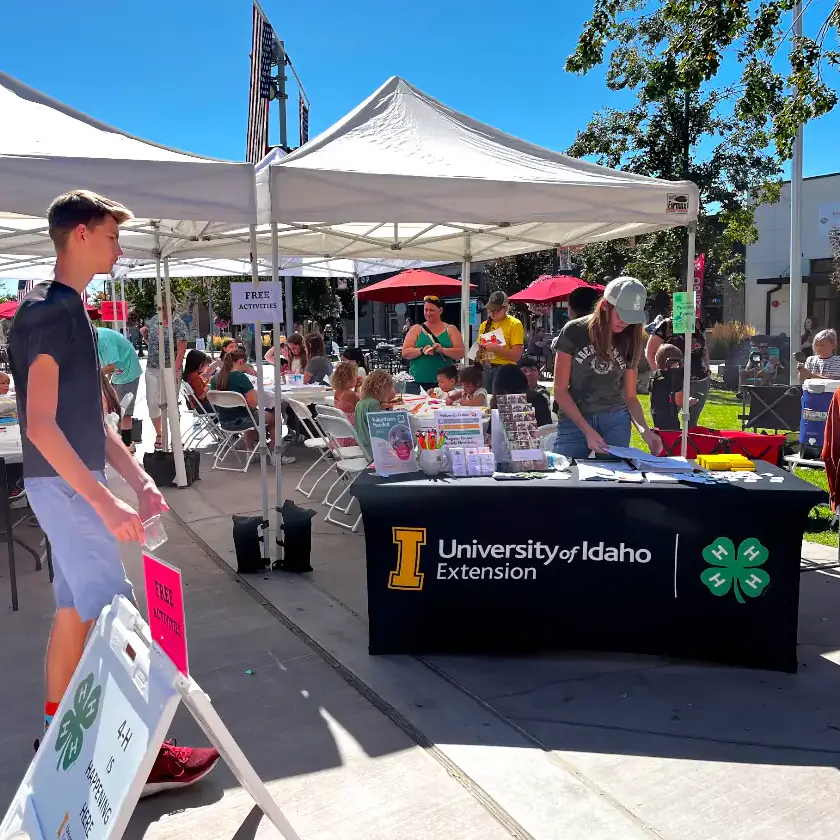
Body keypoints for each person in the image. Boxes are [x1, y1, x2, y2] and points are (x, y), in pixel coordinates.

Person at [9, 190, 218, 792]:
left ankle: (56, 735)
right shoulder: (49, 314)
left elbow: (88, 422)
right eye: (109, 236)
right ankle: (142, 757)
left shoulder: (66, 311)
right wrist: (102, 500)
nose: (118, 248)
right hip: (67, 488)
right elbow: (42, 425)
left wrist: (140, 478)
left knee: (76, 610)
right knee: (116, 615)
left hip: (68, 484)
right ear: (78, 235)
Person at [553, 276, 662, 458]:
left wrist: (645, 432)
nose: (625, 322)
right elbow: (560, 390)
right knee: (565, 475)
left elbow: (630, 396)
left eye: (631, 318)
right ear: (605, 305)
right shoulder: (574, 331)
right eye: (621, 315)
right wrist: (587, 430)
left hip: (615, 419)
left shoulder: (632, 337)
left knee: (616, 480)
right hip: (575, 417)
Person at [646, 315, 711, 427]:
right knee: (669, 421)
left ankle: (690, 443)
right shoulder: (665, 326)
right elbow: (650, 352)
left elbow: (704, 350)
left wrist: (708, 369)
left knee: (692, 423)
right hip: (673, 381)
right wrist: (662, 374)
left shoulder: (697, 324)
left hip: (699, 380)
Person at [210, 348, 278, 448]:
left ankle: (250, 451)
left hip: (224, 421)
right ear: (241, 362)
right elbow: (253, 404)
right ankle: (276, 454)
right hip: (242, 421)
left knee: (250, 415)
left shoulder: (215, 378)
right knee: (274, 417)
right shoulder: (240, 377)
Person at [145, 307, 188, 452]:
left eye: (162, 307)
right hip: (152, 366)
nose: (159, 309)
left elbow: (181, 350)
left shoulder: (178, 324)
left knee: (171, 403)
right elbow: (150, 342)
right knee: (152, 403)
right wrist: (145, 336)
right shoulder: (153, 320)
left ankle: (175, 437)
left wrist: (175, 370)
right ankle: (159, 434)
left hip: (170, 368)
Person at [401, 295, 465, 391]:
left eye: (431, 310)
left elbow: (460, 354)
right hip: (418, 381)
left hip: (445, 384)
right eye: (425, 310)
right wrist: (422, 350)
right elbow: (405, 353)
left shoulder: (451, 329)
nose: (427, 313)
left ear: (440, 310)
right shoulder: (416, 329)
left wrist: (442, 350)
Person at [97, 326, 142, 450]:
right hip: (118, 373)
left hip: (128, 371)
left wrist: (94, 374)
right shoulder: (96, 337)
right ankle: (121, 442)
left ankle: (127, 445)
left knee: (124, 410)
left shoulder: (104, 340)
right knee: (114, 408)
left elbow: (111, 366)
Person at [476, 291, 524, 391]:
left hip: (506, 371)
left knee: (500, 403)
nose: (491, 313)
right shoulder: (483, 325)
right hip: (487, 370)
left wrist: (496, 348)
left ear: (505, 308)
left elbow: (516, 356)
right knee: (487, 402)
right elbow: (479, 351)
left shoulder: (515, 324)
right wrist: (479, 355)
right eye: (489, 310)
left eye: (495, 310)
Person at [649, 344, 697, 431]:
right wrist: (688, 401)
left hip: (656, 415)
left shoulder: (655, 376)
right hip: (669, 417)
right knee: (671, 439)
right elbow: (679, 401)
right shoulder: (674, 378)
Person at [355, 370, 396, 457]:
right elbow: (379, 429)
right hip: (373, 449)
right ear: (381, 389)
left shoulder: (361, 403)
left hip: (362, 445)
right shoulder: (374, 404)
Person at [330, 361, 361, 447]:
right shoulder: (351, 395)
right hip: (351, 432)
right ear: (350, 379)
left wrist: (356, 388)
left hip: (340, 430)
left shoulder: (337, 391)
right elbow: (361, 405)